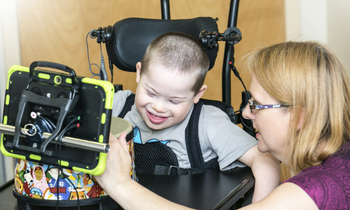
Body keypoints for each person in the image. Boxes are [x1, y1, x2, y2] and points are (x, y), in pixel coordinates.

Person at [96, 40, 350, 209]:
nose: (247, 114)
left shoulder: (309, 193)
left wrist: (118, 182)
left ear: (298, 117)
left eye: (257, 105)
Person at [109, 31, 280, 203]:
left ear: (198, 94)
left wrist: (259, 206)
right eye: (151, 93)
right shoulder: (118, 106)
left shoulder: (208, 123)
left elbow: (266, 159)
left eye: (174, 101)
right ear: (139, 72)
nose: (158, 108)